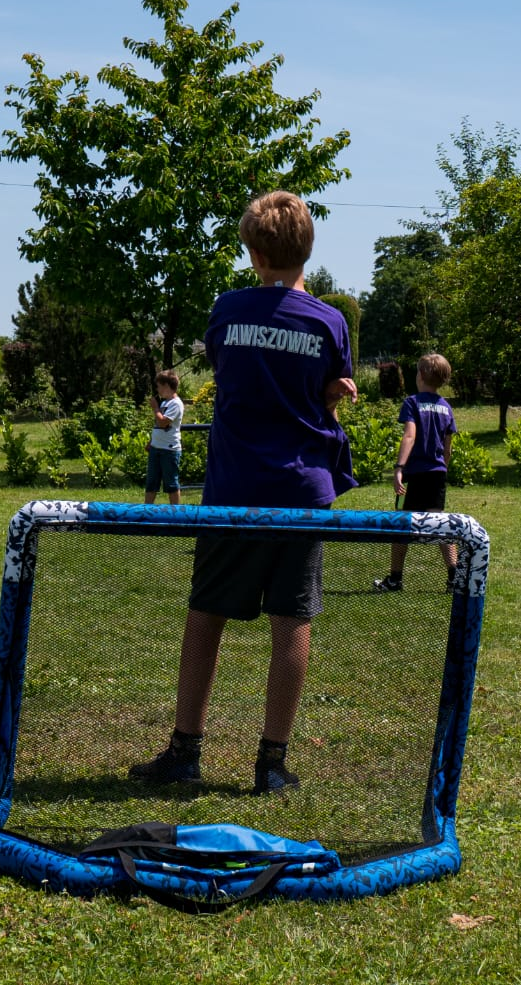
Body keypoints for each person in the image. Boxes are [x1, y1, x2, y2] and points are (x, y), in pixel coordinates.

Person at [130, 190, 357, 794]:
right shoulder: (330, 321)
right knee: (294, 619)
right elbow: (333, 388)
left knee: (205, 616)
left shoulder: (227, 310)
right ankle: (272, 764)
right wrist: (329, 391)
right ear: (308, 249)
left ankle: (185, 751)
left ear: (253, 253)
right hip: (303, 493)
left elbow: (234, 374)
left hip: (233, 489)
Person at [372, 352, 461, 593]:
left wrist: (400, 467)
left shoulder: (412, 403)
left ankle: (395, 579)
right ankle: (454, 577)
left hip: (417, 474)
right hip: (437, 474)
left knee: (402, 525)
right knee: (440, 523)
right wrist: (443, 467)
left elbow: (409, 435)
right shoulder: (446, 407)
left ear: (420, 375)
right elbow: (447, 446)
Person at [144, 369, 185, 506]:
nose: (158, 389)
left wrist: (155, 408)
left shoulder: (176, 404)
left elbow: (163, 422)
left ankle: (175, 514)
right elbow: (158, 426)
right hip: (156, 448)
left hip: (169, 450)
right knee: (151, 483)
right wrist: (152, 442)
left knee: (171, 484)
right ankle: (146, 512)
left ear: (167, 385)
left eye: (159, 386)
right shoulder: (164, 403)